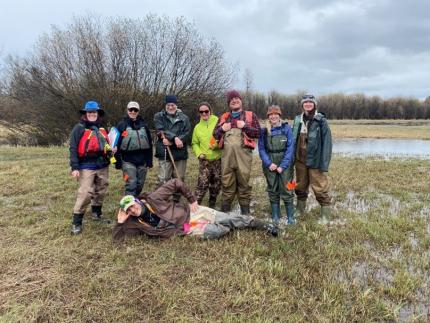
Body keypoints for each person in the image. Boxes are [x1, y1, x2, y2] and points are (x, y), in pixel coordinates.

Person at [112, 179, 278, 240]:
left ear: (137, 202)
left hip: (191, 213)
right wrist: (120, 222)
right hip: (185, 229)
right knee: (216, 232)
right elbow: (117, 238)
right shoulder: (135, 222)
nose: (133, 210)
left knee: (227, 219)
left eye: (133, 206)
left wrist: (191, 199)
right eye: (129, 210)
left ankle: (260, 224)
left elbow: (176, 182)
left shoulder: (153, 198)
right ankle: (228, 225)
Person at [212, 90, 261, 215]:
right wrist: (222, 129)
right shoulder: (223, 117)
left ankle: (245, 212)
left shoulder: (250, 115)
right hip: (227, 157)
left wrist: (245, 126)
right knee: (226, 182)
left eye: (236, 98)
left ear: (241, 100)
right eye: (231, 99)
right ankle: (225, 212)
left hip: (243, 156)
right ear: (229, 103)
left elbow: (258, 133)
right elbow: (215, 135)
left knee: (244, 183)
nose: (234, 101)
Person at [69, 101, 111, 235]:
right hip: (86, 165)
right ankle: (76, 222)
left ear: (98, 113)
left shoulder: (102, 128)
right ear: (85, 114)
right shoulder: (79, 128)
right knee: (85, 192)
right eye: (89, 112)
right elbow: (73, 148)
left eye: (94, 112)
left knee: (101, 189)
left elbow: (106, 145)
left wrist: (111, 151)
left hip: (102, 164)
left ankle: (96, 214)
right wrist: (74, 167)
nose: (92, 114)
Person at [292, 94, 333, 224]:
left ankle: (326, 215)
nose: (308, 104)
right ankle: (300, 210)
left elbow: (327, 144)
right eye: (305, 102)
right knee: (299, 185)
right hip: (300, 161)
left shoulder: (321, 120)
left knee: (320, 188)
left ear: (315, 104)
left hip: (315, 161)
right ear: (302, 105)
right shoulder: (298, 119)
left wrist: (324, 163)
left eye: (310, 102)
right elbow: (293, 140)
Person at [258, 105, 295, 225]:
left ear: (280, 116)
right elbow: (261, 149)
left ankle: (290, 217)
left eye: (276, 114)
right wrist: (269, 163)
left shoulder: (287, 128)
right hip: (270, 162)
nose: (273, 116)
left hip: (286, 162)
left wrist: (282, 166)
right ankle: (275, 215)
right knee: (272, 188)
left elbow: (290, 148)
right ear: (268, 116)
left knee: (288, 187)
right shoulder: (264, 131)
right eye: (271, 114)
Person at [114, 101, 153, 197]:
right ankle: (129, 206)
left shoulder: (144, 126)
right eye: (131, 109)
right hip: (127, 161)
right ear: (127, 111)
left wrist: (149, 161)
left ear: (138, 111)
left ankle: (134, 202)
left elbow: (150, 144)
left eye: (135, 110)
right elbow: (116, 145)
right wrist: (117, 161)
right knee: (131, 184)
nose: (133, 112)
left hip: (142, 160)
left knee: (140, 184)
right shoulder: (121, 125)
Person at [154, 95, 191, 189]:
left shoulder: (185, 118)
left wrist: (174, 141)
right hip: (165, 151)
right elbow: (160, 130)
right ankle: (160, 199)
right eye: (168, 105)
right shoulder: (158, 116)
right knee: (163, 178)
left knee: (179, 178)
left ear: (176, 105)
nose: (170, 107)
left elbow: (187, 133)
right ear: (165, 105)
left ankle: (175, 200)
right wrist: (174, 138)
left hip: (180, 152)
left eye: (173, 105)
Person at [191, 102, 222, 208]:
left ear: (210, 111)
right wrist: (199, 153)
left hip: (218, 160)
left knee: (216, 185)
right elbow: (194, 143)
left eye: (206, 111)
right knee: (202, 185)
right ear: (199, 113)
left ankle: (211, 206)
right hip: (205, 161)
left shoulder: (218, 122)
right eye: (201, 112)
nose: (204, 113)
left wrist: (216, 145)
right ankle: (194, 207)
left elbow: (223, 137)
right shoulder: (197, 127)